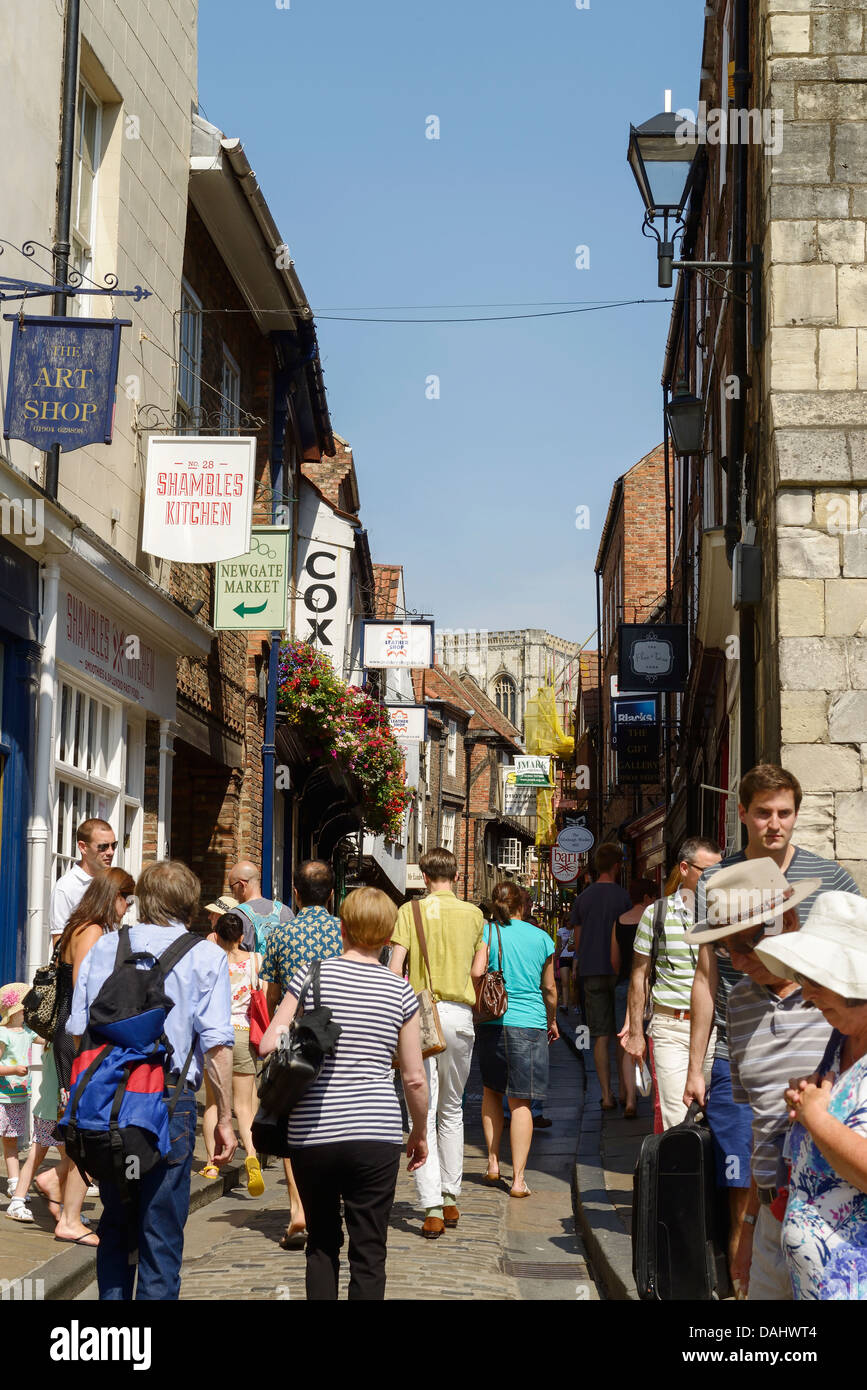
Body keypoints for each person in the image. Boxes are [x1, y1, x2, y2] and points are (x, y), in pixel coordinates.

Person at [684, 763, 862, 1274]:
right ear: (742, 814)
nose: (774, 824)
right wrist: (698, 1064)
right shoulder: (718, 881)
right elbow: (706, 975)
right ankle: (748, 1261)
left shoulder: (831, 879)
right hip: (744, 1035)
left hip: (814, 1029)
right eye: (762, 813)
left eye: (784, 813)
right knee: (749, 1158)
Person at [68, 860, 236, 1300]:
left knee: (117, 1222)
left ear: (144, 899)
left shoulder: (106, 947)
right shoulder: (206, 956)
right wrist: (225, 1118)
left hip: (110, 1106)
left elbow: (77, 1028)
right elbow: (217, 1046)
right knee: (159, 1233)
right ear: (190, 905)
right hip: (166, 1105)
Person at [259, 886, 428, 1301]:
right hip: (376, 1133)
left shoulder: (312, 975)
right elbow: (414, 1078)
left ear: (344, 928)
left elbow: (267, 1043)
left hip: (313, 1134)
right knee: (370, 1250)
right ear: (388, 937)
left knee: (321, 1245)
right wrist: (419, 1133)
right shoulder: (400, 992)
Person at [685, 858, 831, 1300]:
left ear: (787, 919)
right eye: (728, 948)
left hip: (833, 1216)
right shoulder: (743, 1003)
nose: (741, 961)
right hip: (771, 1217)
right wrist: (748, 1227)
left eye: (748, 943)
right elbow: (761, 1129)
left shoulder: (837, 999)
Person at [8, 867, 136, 1243]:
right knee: (83, 1128)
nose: (126, 909)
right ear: (112, 895)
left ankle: (54, 1181)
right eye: (125, 899)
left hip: (66, 1033)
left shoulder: (75, 928)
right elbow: (85, 990)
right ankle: (70, 1219)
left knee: (75, 1124)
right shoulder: (92, 931)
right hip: (77, 1038)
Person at [755, 893, 867, 1300]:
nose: (807, 995)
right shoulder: (842, 1038)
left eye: (816, 982)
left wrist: (817, 1116)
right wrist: (808, 1102)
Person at [389, 846, 486, 1239]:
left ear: (425, 877)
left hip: (420, 1017)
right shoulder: (475, 915)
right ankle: (450, 1196)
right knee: (452, 1108)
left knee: (420, 1113)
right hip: (460, 1017)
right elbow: (479, 969)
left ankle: (429, 1205)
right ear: (456, 877)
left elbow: (396, 969)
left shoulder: (408, 913)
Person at [260, 859, 343, 1248]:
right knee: (336, 1115)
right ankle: (331, 1197)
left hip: (296, 1041)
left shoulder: (279, 934)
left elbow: (273, 995)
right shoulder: (346, 931)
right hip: (339, 1037)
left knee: (292, 1120)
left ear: (295, 893)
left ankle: (298, 1209)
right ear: (331, 894)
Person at [622, 843, 721, 1130]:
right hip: (670, 1026)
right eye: (708, 871)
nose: (715, 877)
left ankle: (707, 1175)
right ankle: (681, 1174)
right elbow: (638, 976)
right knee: (677, 1118)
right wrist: (637, 1034)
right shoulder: (656, 914)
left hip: (715, 1029)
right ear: (685, 868)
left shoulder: (724, 914)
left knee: (714, 1116)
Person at [478, 881, 558, 1198]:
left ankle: (493, 1163)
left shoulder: (485, 934)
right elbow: (550, 988)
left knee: (491, 1091)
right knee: (522, 1100)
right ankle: (519, 1179)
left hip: (492, 1021)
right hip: (530, 1022)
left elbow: (477, 971)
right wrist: (552, 1020)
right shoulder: (542, 938)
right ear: (522, 905)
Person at [197, 913, 264, 1198]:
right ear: (241, 936)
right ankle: (251, 1156)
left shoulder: (211, 961)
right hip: (243, 1033)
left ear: (218, 935)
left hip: (216, 1035)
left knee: (213, 1103)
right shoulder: (255, 961)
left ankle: (212, 1164)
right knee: (244, 1106)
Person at [569, 843, 632, 1109]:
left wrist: (578, 965)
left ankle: (606, 1095)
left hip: (592, 971)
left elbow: (578, 940)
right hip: (621, 974)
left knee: (600, 1036)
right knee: (623, 1034)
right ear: (617, 866)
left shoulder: (583, 898)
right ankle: (625, 1093)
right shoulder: (623, 897)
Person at [611, 877, 657, 1118]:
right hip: (652, 987)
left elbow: (615, 960)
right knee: (653, 1042)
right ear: (649, 897)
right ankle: (653, 1097)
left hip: (624, 985)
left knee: (628, 1040)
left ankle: (630, 1099)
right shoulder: (655, 919)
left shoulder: (619, 921)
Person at [49, 818, 117, 942]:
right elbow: (60, 945)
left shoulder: (112, 882)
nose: (110, 852)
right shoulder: (65, 888)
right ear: (83, 847)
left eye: (114, 845)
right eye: (103, 847)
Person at [0, 984, 36, 1197]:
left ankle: (15, 1182)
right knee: (8, 1140)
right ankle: (14, 1181)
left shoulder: (29, 1032)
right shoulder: (3, 1033)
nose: (29, 1011)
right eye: (25, 1008)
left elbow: (49, 1040)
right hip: (3, 1097)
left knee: (12, 1138)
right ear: (15, 1010)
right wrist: (13, 1069)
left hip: (20, 1097)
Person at [227, 860, 293, 953]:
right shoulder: (285, 911)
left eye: (231, 887)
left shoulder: (235, 916)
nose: (232, 893)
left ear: (242, 885)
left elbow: (230, 958)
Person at [556, 911, 575, 1012]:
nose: (568, 922)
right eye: (566, 920)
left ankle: (576, 1004)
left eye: (570, 920)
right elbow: (558, 946)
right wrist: (556, 960)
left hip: (575, 958)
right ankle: (565, 1005)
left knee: (576, 983)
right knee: (565, 982)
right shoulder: (560, 931)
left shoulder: (576, 930)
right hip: (563, 958)